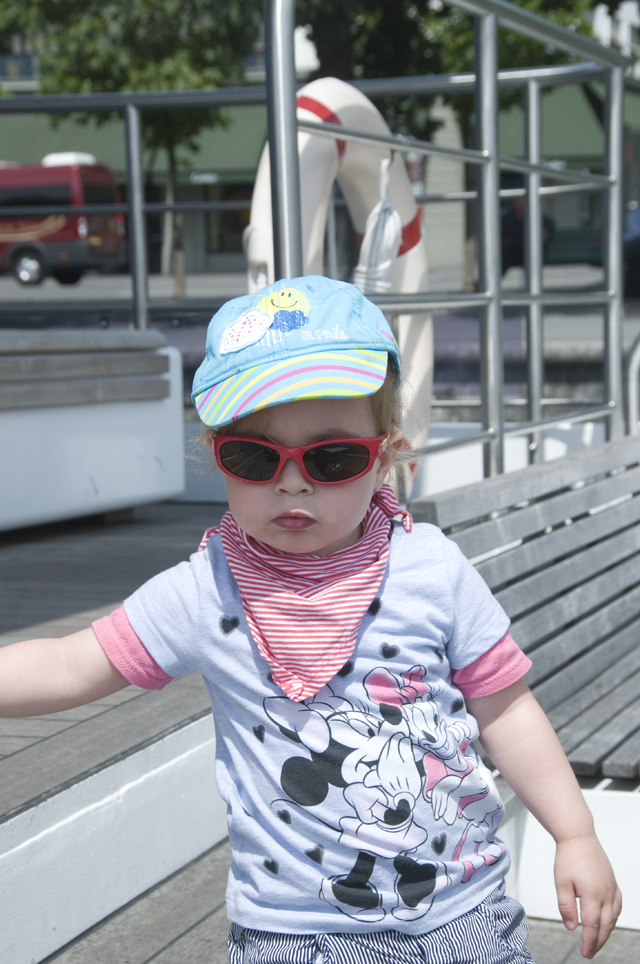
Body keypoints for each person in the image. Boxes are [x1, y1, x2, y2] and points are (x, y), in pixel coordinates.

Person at [0, 276, 621, 963]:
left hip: (460, 912)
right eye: (253, 456)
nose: (291, 482)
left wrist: (575, 833)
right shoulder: (205, 591)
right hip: (294, 932)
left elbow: (506, 709)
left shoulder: (431, 568)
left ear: (383, 458)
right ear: (216, 455)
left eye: (332, 457)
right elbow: (70, 663)